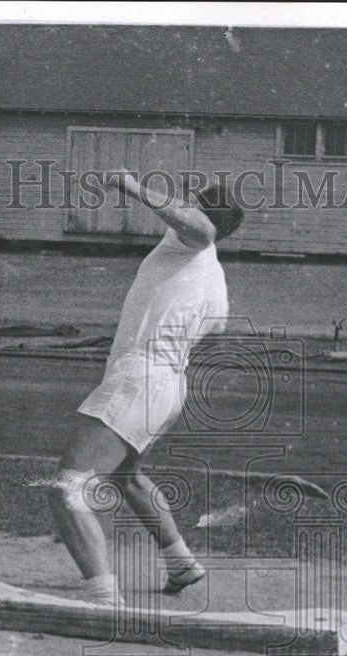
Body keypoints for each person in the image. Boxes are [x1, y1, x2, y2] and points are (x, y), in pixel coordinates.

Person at [49, 170, 244, 605]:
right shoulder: (214, 277)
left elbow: (201, 228)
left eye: (194, 201)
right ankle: (181, 563)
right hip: (169, 385)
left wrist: (129, 185)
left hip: (140, 379)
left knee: (68, 487)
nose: (186, 205)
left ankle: (103, 596)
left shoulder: (194, 240)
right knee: (127, 476)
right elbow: (218, 332)